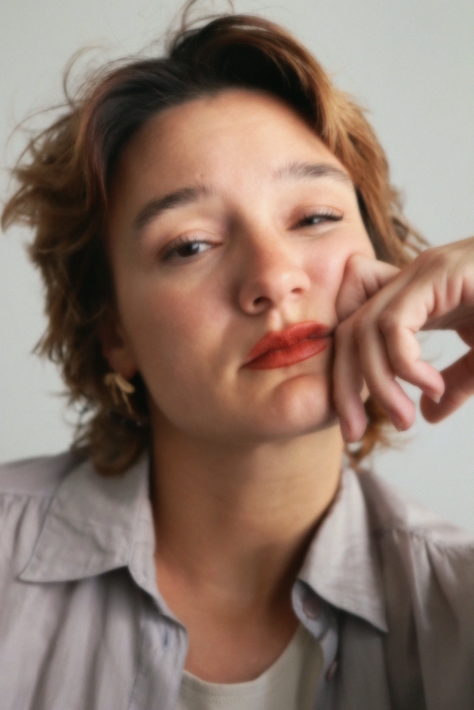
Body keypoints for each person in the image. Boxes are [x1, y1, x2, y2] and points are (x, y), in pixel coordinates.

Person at [1, 6, 473, 710]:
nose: (274, 277)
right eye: (190, 245)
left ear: (388, 266)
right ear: (113, 331)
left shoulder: (456, 604)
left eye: (314, 218)